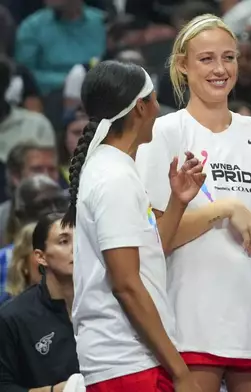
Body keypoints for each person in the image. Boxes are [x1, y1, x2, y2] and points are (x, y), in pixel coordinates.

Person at [135, 14, 251, 392]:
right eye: (207, 59)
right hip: (189, 329)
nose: (220, 69)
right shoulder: (164, 133)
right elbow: (154, 242)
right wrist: (224, 208)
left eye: (229, 57)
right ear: (183, 65)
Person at [61, 60, 204, 391]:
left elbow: (150, 255)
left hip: (129, 360)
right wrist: (181, 372)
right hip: (130, 361)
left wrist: (178, 201)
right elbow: (125, 284)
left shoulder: (113, 169)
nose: (158, 108)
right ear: (140, 107)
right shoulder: (114, 177)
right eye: (154, 99)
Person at [0, 213, 79, 391]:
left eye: (80, 239)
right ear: (40, 257)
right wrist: (54, 391)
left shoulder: (107, 302)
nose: (76, 248)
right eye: (64, 241)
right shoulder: (13, 317)